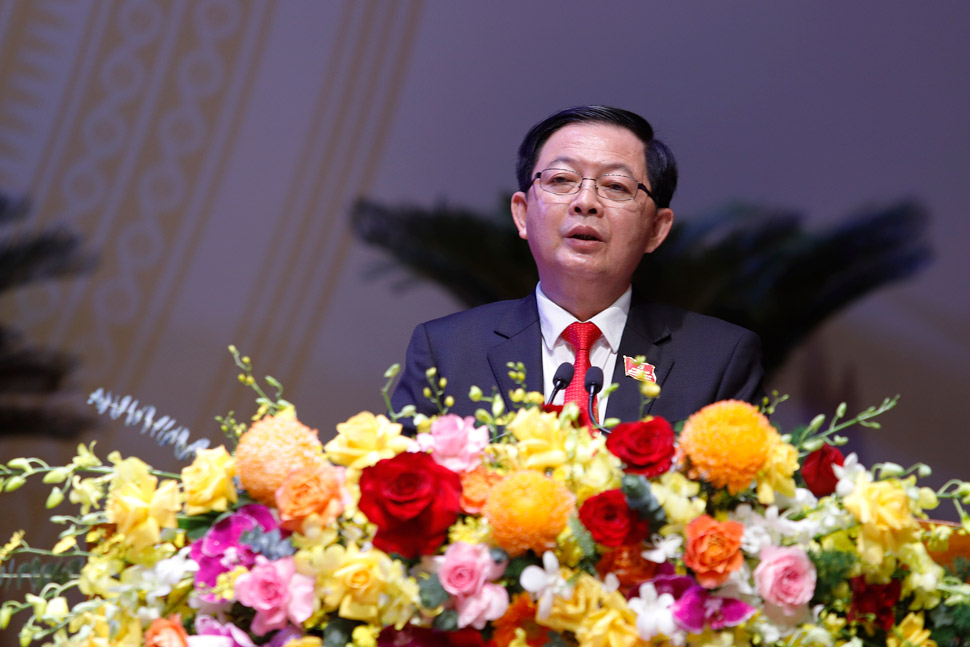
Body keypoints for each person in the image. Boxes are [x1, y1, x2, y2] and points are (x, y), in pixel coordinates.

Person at [391, 105, 763, 428]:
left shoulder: (717, 359)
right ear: (521, 214)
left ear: (656, 229)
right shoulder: (446, 351)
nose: (586, 201)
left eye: (616, 186)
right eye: (562, 180)